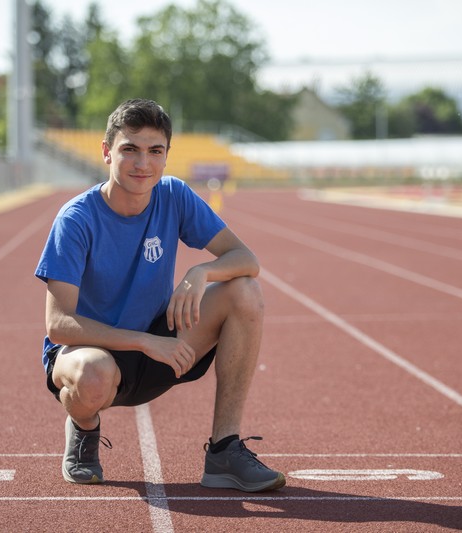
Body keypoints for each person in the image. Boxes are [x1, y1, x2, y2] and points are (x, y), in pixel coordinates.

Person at [34, 98, 285, 493]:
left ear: (167, 156)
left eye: (155, 151)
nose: (143, 163)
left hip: (159, 345)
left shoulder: (173, 195)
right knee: (93, 374)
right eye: (130, 149)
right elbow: (59, 324)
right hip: (91, 352)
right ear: (107, 152)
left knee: (244, 291)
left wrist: (200, 272)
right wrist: (144, 341)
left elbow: (246, 259)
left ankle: (224, 450)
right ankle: (83, 427)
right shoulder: (76, 219)